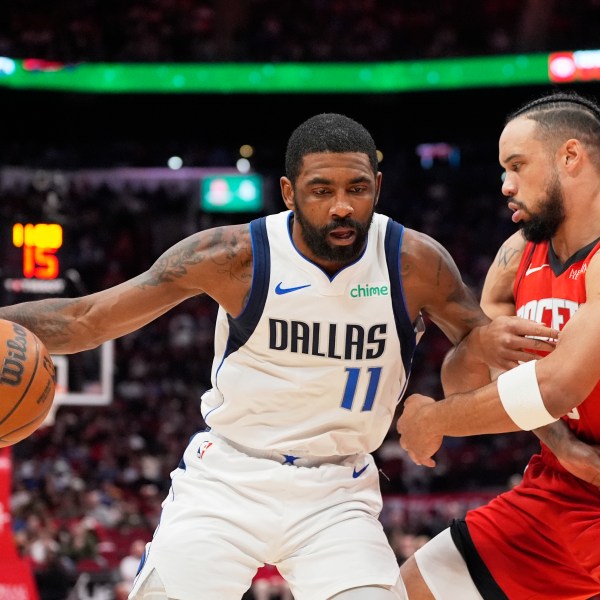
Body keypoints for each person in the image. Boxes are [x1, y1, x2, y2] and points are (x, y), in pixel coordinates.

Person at [0, 113, 558, 600]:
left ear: (378, 187)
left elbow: (483, 350)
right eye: (321, 190)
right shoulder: (230, 255)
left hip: (338, 493)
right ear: (289, 192)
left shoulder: (414, 263)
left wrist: (466, 416)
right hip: (227, 481)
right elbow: (86, 320)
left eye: (357, 188)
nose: (342, 206)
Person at [397, 90, 600, 599]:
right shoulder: (518, 255)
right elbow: (461, 379)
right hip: (561, 486)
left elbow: (552, 387)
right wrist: (557, 442)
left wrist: (433, 421)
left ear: (570, 157)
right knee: (412, 588)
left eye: (517, 165)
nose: (505, 185)